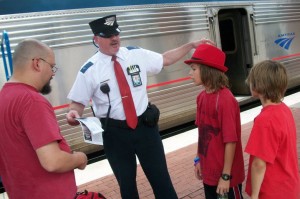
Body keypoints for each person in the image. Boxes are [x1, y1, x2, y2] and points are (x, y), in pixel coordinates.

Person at [66, 14, 206, 199]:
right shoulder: (89, 70)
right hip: (115, 135)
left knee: (161, 179)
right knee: (127, 185)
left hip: (145, 129)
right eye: (108, 36)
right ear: (96, 39)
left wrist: (190, 45)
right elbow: (77, 103)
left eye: (116, 33)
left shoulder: (135, 54)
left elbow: (165, 59)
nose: (114, 38)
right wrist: (73, 114)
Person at [0, 39, 88, 199]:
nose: (53, 73)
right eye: (52, 66)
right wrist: (79, 158)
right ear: (37, 64)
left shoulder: (4, 96)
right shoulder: (32, 101)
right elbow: (53, 162)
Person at [184, 43, 245, 199]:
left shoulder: (225, 100)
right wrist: (198, 159)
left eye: (194, 69)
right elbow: (202, 134)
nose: (190, 73)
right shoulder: (201, 98)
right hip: (209, 172)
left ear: (207, 70)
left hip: (226, 176)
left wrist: (226, 176)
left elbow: (231, 140)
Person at [244, 60, 300, 199]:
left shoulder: (265, 120)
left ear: (259, 86)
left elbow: (259, 164)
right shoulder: (284, 109)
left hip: (272, 191)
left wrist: (254, 196)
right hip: (289, 186)